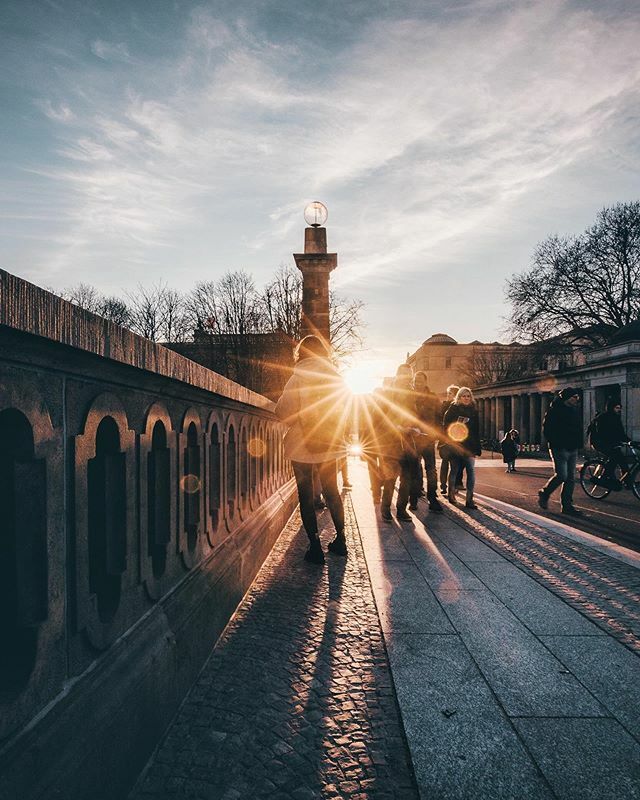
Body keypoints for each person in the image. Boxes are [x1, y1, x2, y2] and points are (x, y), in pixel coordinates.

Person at [275, 335, 348, 564]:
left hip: (302, 445)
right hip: (329, 442)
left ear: (301, 353)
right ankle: (341, 540)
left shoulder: (297, 377)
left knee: (306, 495)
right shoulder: (335, 377)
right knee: (332, 491)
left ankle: (314, 546)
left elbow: (283, 410)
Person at [538, 387, 583, 515]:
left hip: (572, 447)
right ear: (567, 398)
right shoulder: (554, 411)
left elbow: (578, 428)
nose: (577, 399)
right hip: (559, 448)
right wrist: (557, 443)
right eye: (574, 397)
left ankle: (567, 506)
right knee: (562, 475)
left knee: (570, 478)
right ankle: (545, 492)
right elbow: (547, 430)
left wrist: (578, 443)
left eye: (577, 397)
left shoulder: (574, 411)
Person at [390, 364, 421, 521]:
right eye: (405, 373)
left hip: (409, 439)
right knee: (392, 477)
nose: (408, 376)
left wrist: (415, 427)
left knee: (407, 477)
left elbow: (414, 414)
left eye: (410, 374)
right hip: (395, 439)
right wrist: (400, 427)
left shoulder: (412, 391)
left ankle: (401, 508)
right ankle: (386, 508)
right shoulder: (393, 391)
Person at [443, 387, 481, 509]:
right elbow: (446, 427)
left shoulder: (474, 411)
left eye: (468, 396)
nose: (466, 398)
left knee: (471, 471)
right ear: (459, 397)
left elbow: (476, 431)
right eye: (463, 396)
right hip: (456, 444)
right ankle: (451, 494)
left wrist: (477, 447)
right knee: (454, 469)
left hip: (469, 445)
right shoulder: (452, 409)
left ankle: (469, 499)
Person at [414, 371, 443, 513]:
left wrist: (435, 432)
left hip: (428, 439)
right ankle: (414, 495)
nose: (417, 383)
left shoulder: (433, 398)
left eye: (420, 381)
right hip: (413, 439)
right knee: (414, 468)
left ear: (425, 382)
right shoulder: (409, 396)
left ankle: (432, 497)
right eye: (416, 381)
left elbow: (439, 416)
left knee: (431, 469)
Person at [589, 398, 630, 487]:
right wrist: (614, 441)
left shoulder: (616, 418)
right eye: (617, 408)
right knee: (615, 456)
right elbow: (602, 433)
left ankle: (627, 481)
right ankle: (604, 478)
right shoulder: (603, 418)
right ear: (611, 408)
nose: (618, 410)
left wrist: (630, 441)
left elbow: (621, 433)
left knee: (623, 461)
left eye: (619, 408)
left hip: (612, 443)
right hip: (600, 443)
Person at [439, 385, 460, 495]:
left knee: (455, 464)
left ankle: (454, 485)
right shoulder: (444, 406)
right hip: (445, 439)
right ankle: (443, 485)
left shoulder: (459, 407)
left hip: (456, 439)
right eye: (448, 394)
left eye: (450, 394)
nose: (448, 396)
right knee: (445, 462)